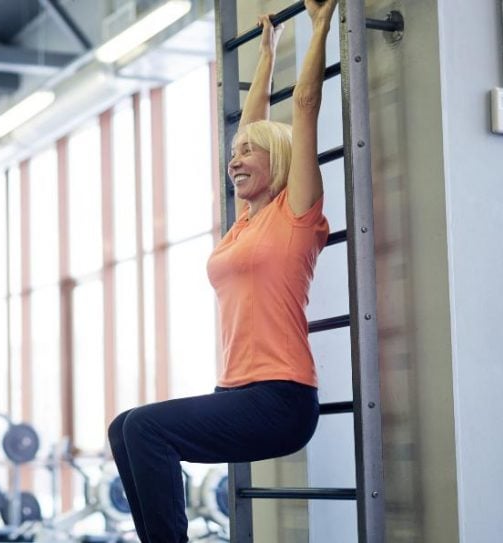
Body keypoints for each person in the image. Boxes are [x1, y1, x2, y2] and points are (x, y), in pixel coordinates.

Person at [107, 1, 337, 541]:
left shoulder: (296, 214)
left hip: (280, 398)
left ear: (277, 163)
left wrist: (320, 26)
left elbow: (303, 107)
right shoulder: (242, 225)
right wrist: (265, 57)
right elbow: (246, 125)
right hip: (235, 391)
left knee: (145, 428)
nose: (236, 159)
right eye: (235, 153)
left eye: (250, 153)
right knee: (125, 428)